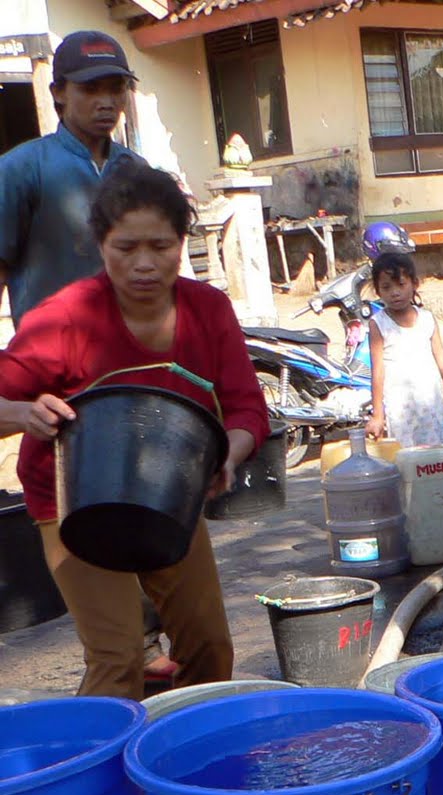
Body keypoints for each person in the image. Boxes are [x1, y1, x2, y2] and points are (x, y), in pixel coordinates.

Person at [0, 166, 269, 699]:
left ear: (182, 244)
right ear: (99, 244)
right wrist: (23, 414)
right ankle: (93, 775)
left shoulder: (208, 309)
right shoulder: (65, 318)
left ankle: (180, 757)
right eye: (125, 247)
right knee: (118, 655)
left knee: (210, 645)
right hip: (72, 501)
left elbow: (246, 410)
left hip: (170, 492)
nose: (144, 264)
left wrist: (230, 456)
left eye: (160, 246)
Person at [0, 30, 143, 329]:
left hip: (131, 357)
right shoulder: (21, 169)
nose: (107, 102)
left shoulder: (137, 171)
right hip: (48, 358)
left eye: (117, 88)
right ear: (58, 93)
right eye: (91, 88)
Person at [364, 251, 443, 448]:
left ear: (414, 284)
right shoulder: (378, 324)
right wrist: (378, 415)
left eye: (401, 285)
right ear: (377, 291)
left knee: (440, 461)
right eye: (386, 287)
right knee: (408, 464)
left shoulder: (427, 319)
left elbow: (442, 361)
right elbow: (378, 372)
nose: (395, 292)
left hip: (431, 406)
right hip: (400, 410)